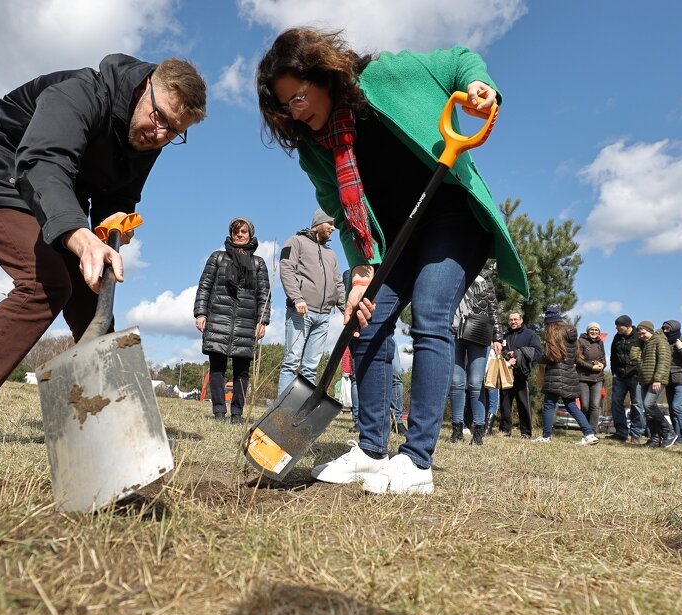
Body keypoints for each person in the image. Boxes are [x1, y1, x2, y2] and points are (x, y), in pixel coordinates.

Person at [256, 28, 527, 495]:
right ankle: (370, 449)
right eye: (286, 106)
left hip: (451, 214)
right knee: (367, 317)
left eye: (299, 96)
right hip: (392, 236)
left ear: (322, 75)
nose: (297, 111)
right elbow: (342, 212)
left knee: (431, 310)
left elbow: (457, 59)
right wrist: (361, 272)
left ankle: (418, 460)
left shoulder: (387, 75)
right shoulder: (314, 149)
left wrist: (480, 87)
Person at [0, 55, 207, 453]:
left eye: (175, 132)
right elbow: (43, 162)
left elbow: (117, 194)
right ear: (145, 87)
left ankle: (109, 418)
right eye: (161, 118)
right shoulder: (81, 93)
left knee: (93, 292)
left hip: (50, 191)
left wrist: (110, 226)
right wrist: (78, 234)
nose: (161, 135)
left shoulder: (146, 134)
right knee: (45, 283)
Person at [194, 218, 271, 424]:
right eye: (236, 231)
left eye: (244, 231)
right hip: (218, 318)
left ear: (250, 235)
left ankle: (237, 413)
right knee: (217, 368)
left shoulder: (258, 263)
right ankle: (219, 411)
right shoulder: (217, 258)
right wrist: (201, 313)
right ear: (231, 234)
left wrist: (262, 321)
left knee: (242, 371)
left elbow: (264, 294)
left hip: (246, 322)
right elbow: (205, 286)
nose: (240, 235)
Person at [276, 208, 345, 396]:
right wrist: (296, 298)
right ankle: (280, 414)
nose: (333, 228)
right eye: (330, 224)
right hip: (301, 312)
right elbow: (286, 269)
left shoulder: (331, 254)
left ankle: (300, 411)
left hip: (323, 316)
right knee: (291, 362)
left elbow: (338, 283)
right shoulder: (295, 242)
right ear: (318, 223)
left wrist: (346, 309)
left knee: (310, 367)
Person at [447, 265, 502, 446]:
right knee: (456, 383)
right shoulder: (451, 272)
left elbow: (493, 308)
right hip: (454, 331)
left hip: (478, 331)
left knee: (476, 382)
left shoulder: (485, 277)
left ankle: (478, 430)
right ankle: (457, 430)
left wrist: (497, 337)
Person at [532, 306, 598, 445]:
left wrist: (537, 358)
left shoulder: (552, 333)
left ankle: (546, 436)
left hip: (555, 374)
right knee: (572, 406)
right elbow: (575, 357)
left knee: (549, 405)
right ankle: (589, 434)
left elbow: (551, 356)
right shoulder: (572, 333)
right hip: (569, 373)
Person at [631, 320, 676, 448]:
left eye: (643, 333)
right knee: (648, 410)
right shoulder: (644, 343)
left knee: (648, 404)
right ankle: (654, 439)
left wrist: (658, 379)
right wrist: (639, 341)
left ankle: (669, 432)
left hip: (657, 380)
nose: (641, 336)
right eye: (639, 334)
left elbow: (664, 361)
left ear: (650, 330)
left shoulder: (660, 341)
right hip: (645, 379)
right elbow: (633, 356)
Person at [499, 311, 543, 438]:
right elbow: (500, 351)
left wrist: (518, 354)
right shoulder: (505, 335)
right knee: (504, 403)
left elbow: (538, 353)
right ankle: (505, 431)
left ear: (521, 320)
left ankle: (526, 433)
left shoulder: (530, 335)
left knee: (523, 404)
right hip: (506, 372)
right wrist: (507, 356)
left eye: (515, 319)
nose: (513, 322)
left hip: (521, 374)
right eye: (511, 319)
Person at [609, 315, 645, 443]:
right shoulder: (617, 337)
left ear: (628, 326)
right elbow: (613, 356)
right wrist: (614, 373)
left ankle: (636, 434)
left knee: (637, 404)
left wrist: (640, 372)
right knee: (616, 402)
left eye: (619, 326)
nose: (617, 328)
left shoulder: (638, 336)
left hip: (635, 376)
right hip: (619, 376)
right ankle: (621, 433)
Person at [575, 321, 607, 432]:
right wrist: (591, 367)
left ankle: (592, 430)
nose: (594, 332)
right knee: (585, 405)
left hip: (597, 378)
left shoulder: (600, 343)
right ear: (587, 331)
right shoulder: (580, 341)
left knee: (595, 405)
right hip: (583, 378)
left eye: (596, 330)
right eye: (591, 329)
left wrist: (603, 364)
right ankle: (585, 427)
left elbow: (603, 358)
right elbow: (578, 360)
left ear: (599, 332)